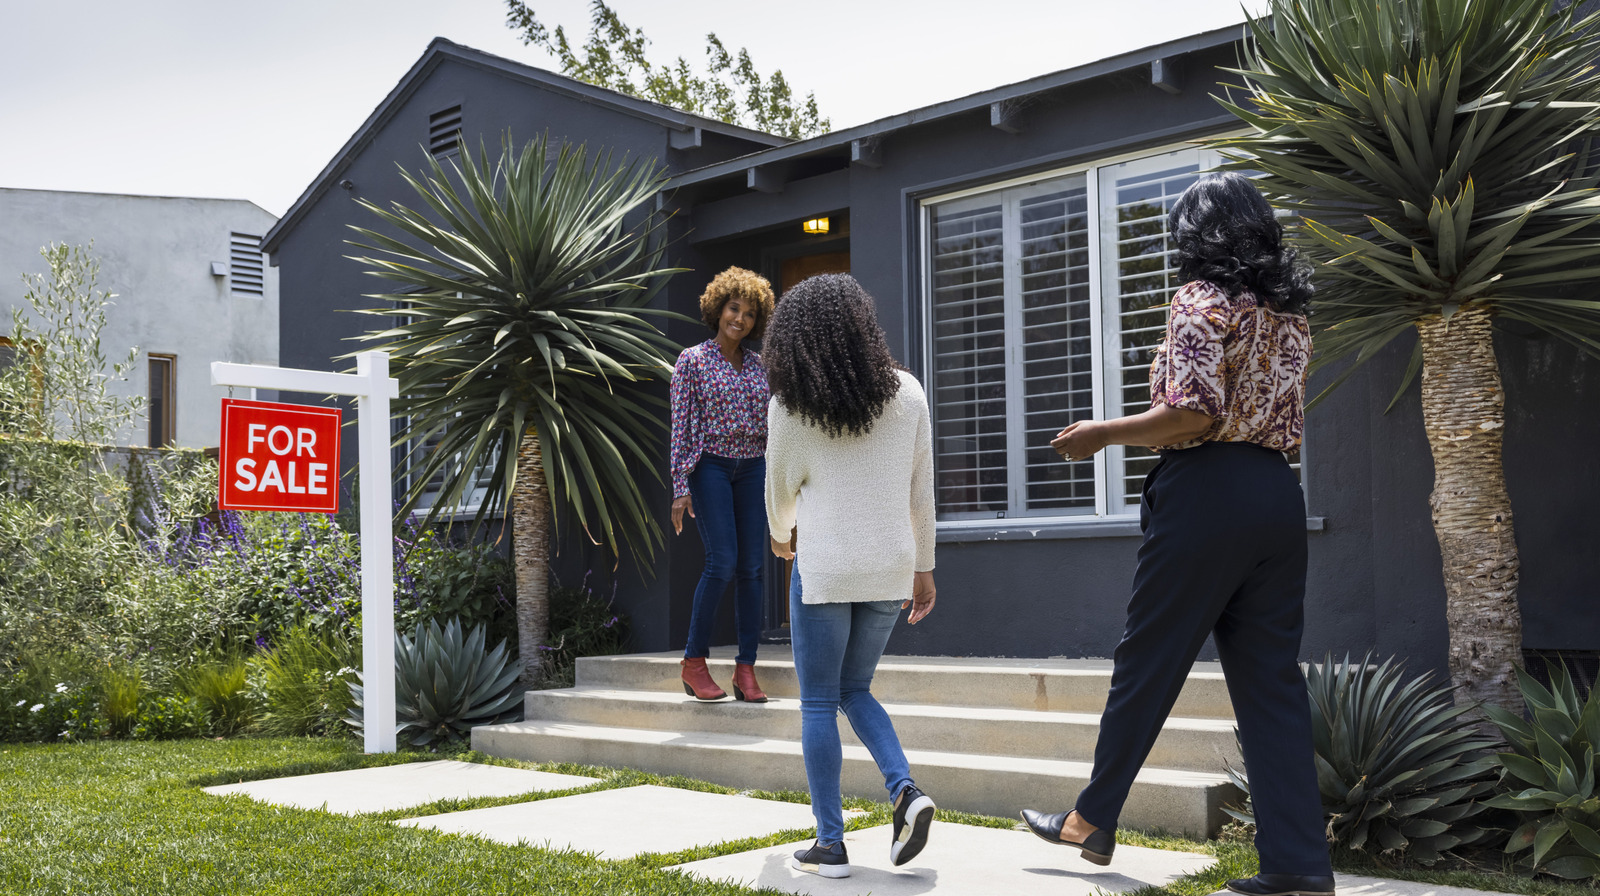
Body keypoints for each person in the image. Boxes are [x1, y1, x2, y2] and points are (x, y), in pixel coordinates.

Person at [1020, 172, 1334, 896]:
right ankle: (1298, 865)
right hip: (1276, 496)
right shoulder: (1289, 315)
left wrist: (1100, 434)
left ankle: (1091, 818)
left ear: (1197, 236)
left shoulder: (1198, 301)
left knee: (1148, 660)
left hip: (1208, 495)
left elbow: (1191, 414)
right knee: (1271, 684)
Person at [763, 274, 939, 879]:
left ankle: (830, 844)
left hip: (826, 572)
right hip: (890, 567)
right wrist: (925, 567)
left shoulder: (790, 407)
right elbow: (923, 495)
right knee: (855, 690)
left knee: (818, 702)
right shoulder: (910, 393)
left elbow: (779, 493)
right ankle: (905, 791)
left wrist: (782, 539)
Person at [669, 266, 776, 702]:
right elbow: (681, 425)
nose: (741, 319)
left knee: (753, 568)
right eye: (735, 308)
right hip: (710, 465)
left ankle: (745, 669)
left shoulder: (759, 365)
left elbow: (773, 423)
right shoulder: (692, 361)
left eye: (750, 313)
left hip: (753, 467)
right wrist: (680, 484)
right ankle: (694, 663)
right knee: (723, 562)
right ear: (718, 308)